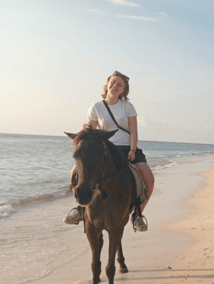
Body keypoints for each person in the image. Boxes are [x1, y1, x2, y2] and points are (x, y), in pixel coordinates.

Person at [63, 71, 155, 231]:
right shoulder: (96, 107)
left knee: (149, 179)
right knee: (74, 173)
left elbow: (133, 131)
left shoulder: (128, 107)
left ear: (123, 91)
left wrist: (133, 149)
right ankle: (80, 208)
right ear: (107, 84)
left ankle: (138, 215)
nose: (115, 86)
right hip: (104, 149)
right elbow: (90, 131)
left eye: (120, 85)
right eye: (113, 82)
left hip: (127, 148)